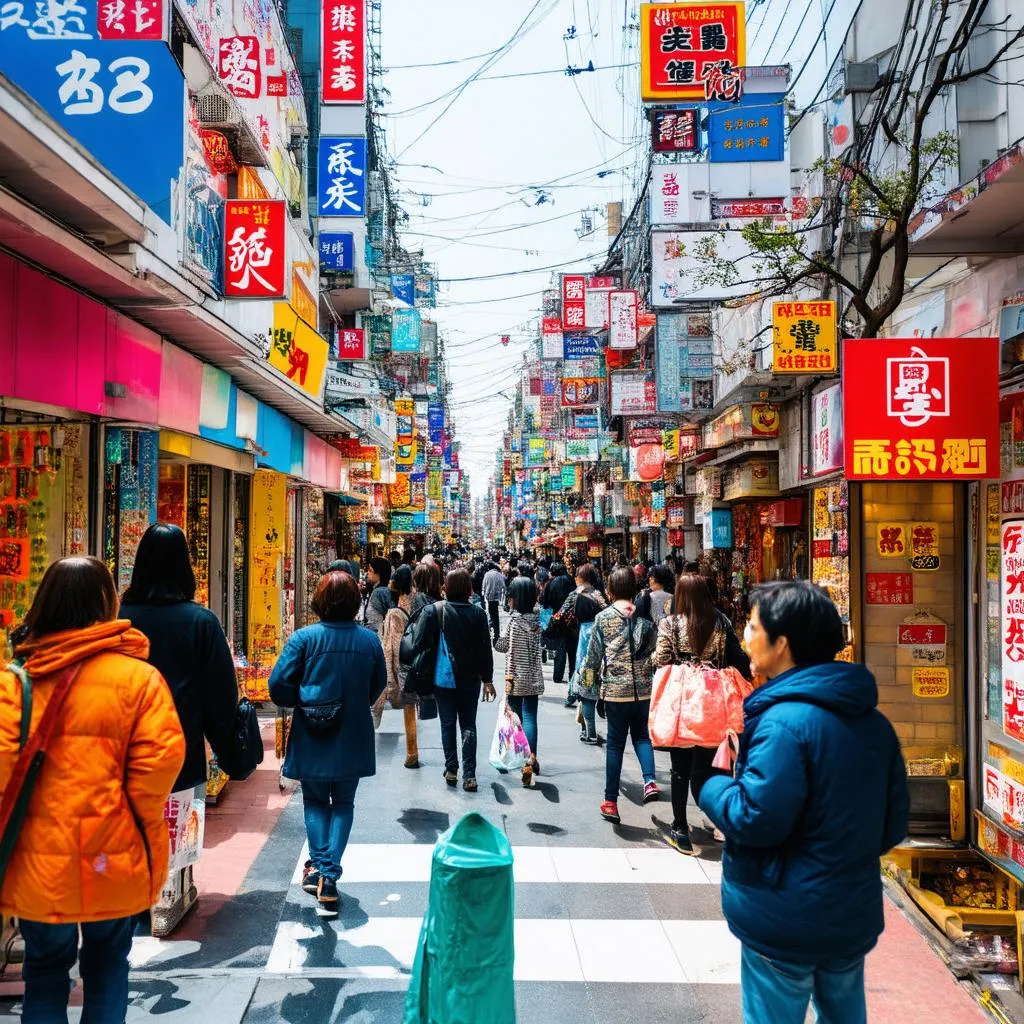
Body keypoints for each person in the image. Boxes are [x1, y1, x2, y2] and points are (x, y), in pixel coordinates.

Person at [698, 581, 909, 1024]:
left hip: (783, 918)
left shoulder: (783, 725)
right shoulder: (873, 724)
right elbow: (891, 827)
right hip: (849, 916)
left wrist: (713, 786)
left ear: (782, 644)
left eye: (753, 626)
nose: (744, 635)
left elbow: (756, 818)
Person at [0, 557, 185, 1023]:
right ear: (108, 603)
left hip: (38, 860)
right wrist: (129, 816)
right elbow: (161, 762)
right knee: (106, 967)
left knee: (44, 970)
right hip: (112, 854)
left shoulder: (14, 683)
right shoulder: (139, 680)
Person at [120, 522, 240, 930]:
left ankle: (131, 894)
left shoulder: (118, 617)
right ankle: (169, 893)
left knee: (130, 821)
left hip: (124, 744)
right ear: (185, 567)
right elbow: (221, 696)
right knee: (177, 818)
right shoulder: (200, 622)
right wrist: (226, 746)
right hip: (181, 744)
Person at [269, 571, 386, 914]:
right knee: (344, 803)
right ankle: (328, 874)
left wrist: (304, 700)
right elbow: (376, 684)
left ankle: (322, 868)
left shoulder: (304, 639)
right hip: (353, 731)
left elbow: (278, 686)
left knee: (316, 800)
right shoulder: (368, 641)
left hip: (313, 730)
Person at [652, 573, 750, 854]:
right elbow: (738, 659)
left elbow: (661, 660)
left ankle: (680, 828)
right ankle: (721, 822)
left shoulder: (670, 623)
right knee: (710, 768)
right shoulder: (721, 621)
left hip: (683, 705)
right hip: (713, 706)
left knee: (680, 770)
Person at [580, 568, 659, 824]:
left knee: (615, 746)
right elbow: (654, 656)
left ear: (610, 590)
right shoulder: (646, 621)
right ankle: (649, 781)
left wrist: (586, 689)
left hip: (615, 692)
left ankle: (611, 802)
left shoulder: (603, 618)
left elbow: (592, 658)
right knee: (642, 737)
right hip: (644, 691)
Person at [408, 568, 495, 791]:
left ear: (446, 585)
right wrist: (488, 679)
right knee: (469, 725)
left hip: (443, 678)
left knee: (447, 724)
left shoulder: (434, 611)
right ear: (468, 588)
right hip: (470, 679)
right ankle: (470, 775)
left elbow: (418, 643)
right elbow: (485, 650)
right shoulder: (478, 614)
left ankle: (452, 769)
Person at [494, 577, 543, 786]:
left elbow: (502, 646)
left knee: (516, 720)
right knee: (531, 717)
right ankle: (530, 759)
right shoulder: (537, 620)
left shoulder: (513, 622)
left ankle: (517, 757)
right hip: (533, 677)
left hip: (514, 678)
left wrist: (495, 636)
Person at [551, 564, 606, 723]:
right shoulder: (598, 595)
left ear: (581, 578)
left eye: (576, 575)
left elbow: (561, 613)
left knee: (577, 665)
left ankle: (577, 693)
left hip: (576, 636)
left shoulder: (574, 594)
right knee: (591, 666)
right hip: (596, 636)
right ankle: (589, 693)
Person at [378, 565, 420, 768]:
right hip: (418, 660)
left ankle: (412, 753)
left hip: (403, 662)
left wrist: (390, 677)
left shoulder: (394, 612)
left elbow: (391, 647)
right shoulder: (418, 599)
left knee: (409, 707)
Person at [541, 562, 574, 685]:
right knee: (572, 650)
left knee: (560, 649)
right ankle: (572, 676)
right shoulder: (570, 580)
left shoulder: (551, 583)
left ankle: (557, 676)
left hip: (557, 618)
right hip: (571, 619)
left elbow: (545, 603)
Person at [364, 557, 394, 636]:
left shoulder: (379, 592)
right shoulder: (383, 589)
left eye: (370, 570)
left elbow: (376, 622)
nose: (368, 573)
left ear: (379, 573)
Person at [481, 560, 507, 644]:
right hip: (497, 597)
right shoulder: (500, 575)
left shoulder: (486, 574)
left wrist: (484, 594)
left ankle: (492, 629)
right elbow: (504, 585)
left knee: (492, 613)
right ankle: (496, 632)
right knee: (495, 614)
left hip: (489, 597)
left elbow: (484, 585)